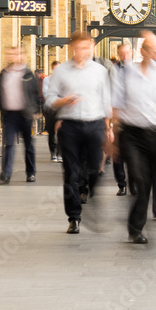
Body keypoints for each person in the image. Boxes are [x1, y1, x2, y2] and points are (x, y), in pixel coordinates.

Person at [45, 31, 113, 234]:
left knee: (95, 168)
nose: (84, 51)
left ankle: (91, 190)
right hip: (71, 125)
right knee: (71, 172)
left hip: (94, 124)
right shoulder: (62, 71)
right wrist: (62, 101)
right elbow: (49, 98)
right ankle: (74, 217)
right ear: (73, 47)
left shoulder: (100, 71)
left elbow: (106, 100)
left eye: (87, 47)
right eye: (80, 47)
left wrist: (109, 128)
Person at [112, 32, 156, 245]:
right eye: (149, 48)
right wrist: (112, 134)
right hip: (132, 134)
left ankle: (152, 212)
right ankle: (136, 228)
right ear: (142, 50)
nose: (153, 53)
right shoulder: (127, 73)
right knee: (140, 178)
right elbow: (116, 105)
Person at [0, 46, 39, 185]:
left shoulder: (27, 73)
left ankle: (31, 173)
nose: (12, 56)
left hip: (25, 114)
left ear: (21, 55)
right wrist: (0, 110)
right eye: (10, 53)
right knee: (8, 144)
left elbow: (34, 92)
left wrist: (36, 110)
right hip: (10, 114)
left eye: (16, 54)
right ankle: (6, 174)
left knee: (28, 145)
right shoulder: (4, 72)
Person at [111, 42, 133, 197]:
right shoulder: (113, 70)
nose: (124, 56)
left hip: (133, 117)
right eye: (122, 53)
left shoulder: (138, 69)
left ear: (131, 52)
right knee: (117, 153)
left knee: (133, 154)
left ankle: (133, 183)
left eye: (127, 52)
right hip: (118, 117)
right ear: (118, 54)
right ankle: (121, 184)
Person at [42, 60, 61, 162]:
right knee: (51, 132)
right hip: (50, 109)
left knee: (62, 132)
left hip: (62, 109)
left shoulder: (64, 80)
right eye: (54, 69)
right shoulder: (47, 80)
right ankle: (53, 153)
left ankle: (60, 153)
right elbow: (46, 94)